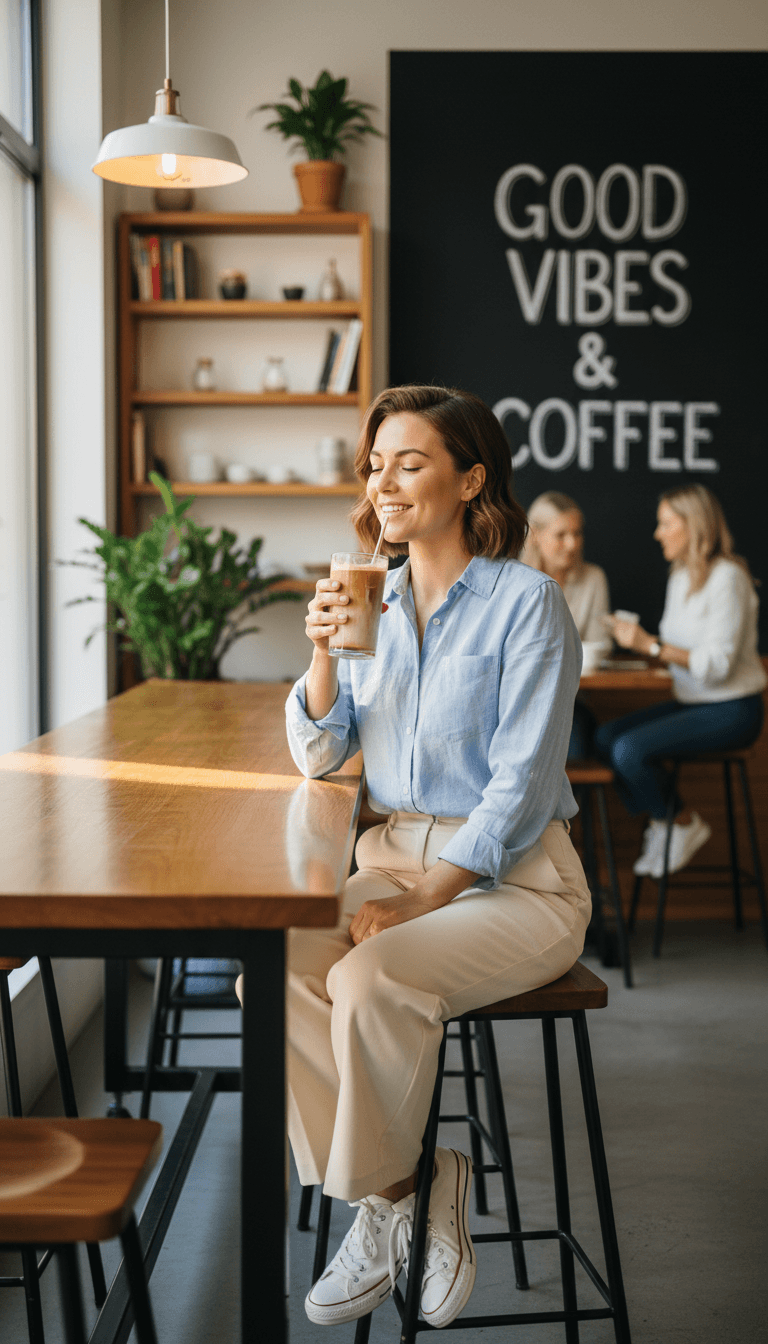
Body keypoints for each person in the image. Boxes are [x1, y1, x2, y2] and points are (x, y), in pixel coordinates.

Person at [276, 385, 591, 1330]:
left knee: (370, 978)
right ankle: (407, 1190)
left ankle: (381, 1203)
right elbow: (321, 756)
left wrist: (420, 904)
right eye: (376, 465)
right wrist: (325, 654)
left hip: (517, 879)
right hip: (393, 852)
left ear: (470, 479)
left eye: (410, 463)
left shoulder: (526, 605)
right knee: (279, 967)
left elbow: (521, 790)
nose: (385, 482)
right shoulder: (374, 595)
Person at [595, 484, 766, 878]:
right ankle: (666, 821)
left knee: (628, 751)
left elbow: (717, 665)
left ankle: (680, 821)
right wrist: (641, 652)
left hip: (733, 709)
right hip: (693, 701)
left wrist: (650, 646)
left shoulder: (728, 578)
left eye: (666, 523)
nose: (658, 533)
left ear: (693, 526)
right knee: (604, 740)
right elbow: (678, 654)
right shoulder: (681, 577)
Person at [522, 491, 611, 757]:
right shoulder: (514, 578)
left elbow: (600, 645)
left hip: (568, 701)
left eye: (577, 534)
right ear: (536, 535)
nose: (572, 544)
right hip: (520, 701)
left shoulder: (592, 578)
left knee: (574, 747)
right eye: (561, 535)